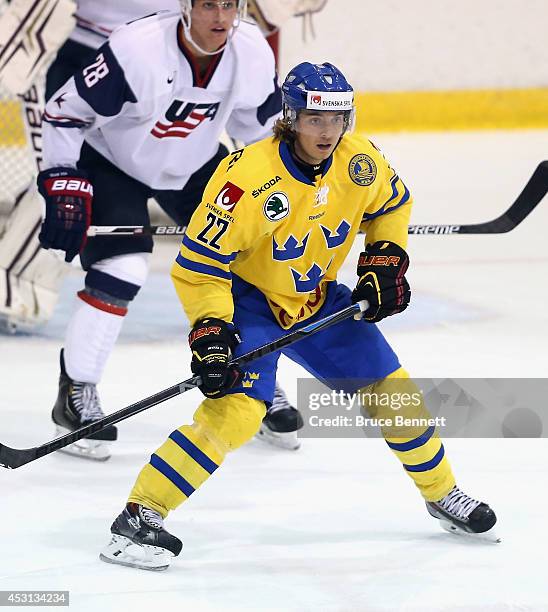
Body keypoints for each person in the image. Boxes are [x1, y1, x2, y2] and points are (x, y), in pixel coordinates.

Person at [98, 61, 498, 571]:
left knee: (393, 394)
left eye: (337, 119)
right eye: (315, 119)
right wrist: (213, 331)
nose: (327, 131)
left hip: (317, 299)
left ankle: (443, 495)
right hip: (251, 303)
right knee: (236, 413)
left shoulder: (361, 162)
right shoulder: (245, 180)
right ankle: (138, 517)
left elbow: (393, 203)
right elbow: (200, 267)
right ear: (290, 117)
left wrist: (384, 258)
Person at [37, 0, 301, 462]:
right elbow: (64, 110)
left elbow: (260, 133)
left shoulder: (252, 51)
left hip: (193, 162)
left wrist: (290, 191)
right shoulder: (136, 49)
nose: (220, 17)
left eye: (230, 5)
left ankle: (251, 378)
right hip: (111, 160)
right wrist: (62, 178)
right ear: (185, 8)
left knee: (248, 261)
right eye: (207, 5)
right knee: (123, 267)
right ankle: (75, 393)